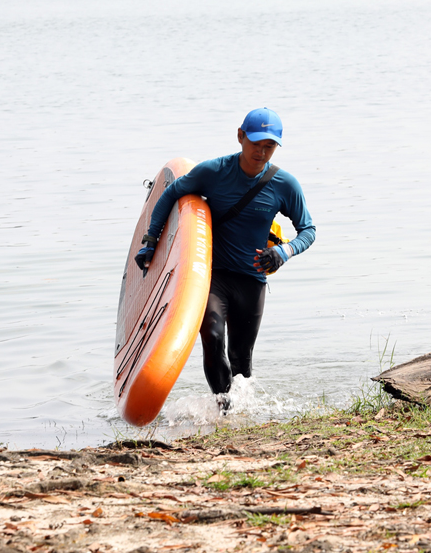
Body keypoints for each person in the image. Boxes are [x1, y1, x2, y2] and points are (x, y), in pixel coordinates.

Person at [134, 107, 316, 412]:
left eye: (269, 146)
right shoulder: (214, 172)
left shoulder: (285, 185)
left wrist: (283, 252)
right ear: (240, 136)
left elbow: (308, 230)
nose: (261, 152)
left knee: (242, 360)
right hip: (212, 276)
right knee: (214, 337)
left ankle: (238, 413)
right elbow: (169, 195)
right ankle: (223, 410)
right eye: (256, 143)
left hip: (252, 280)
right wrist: (151, 241)